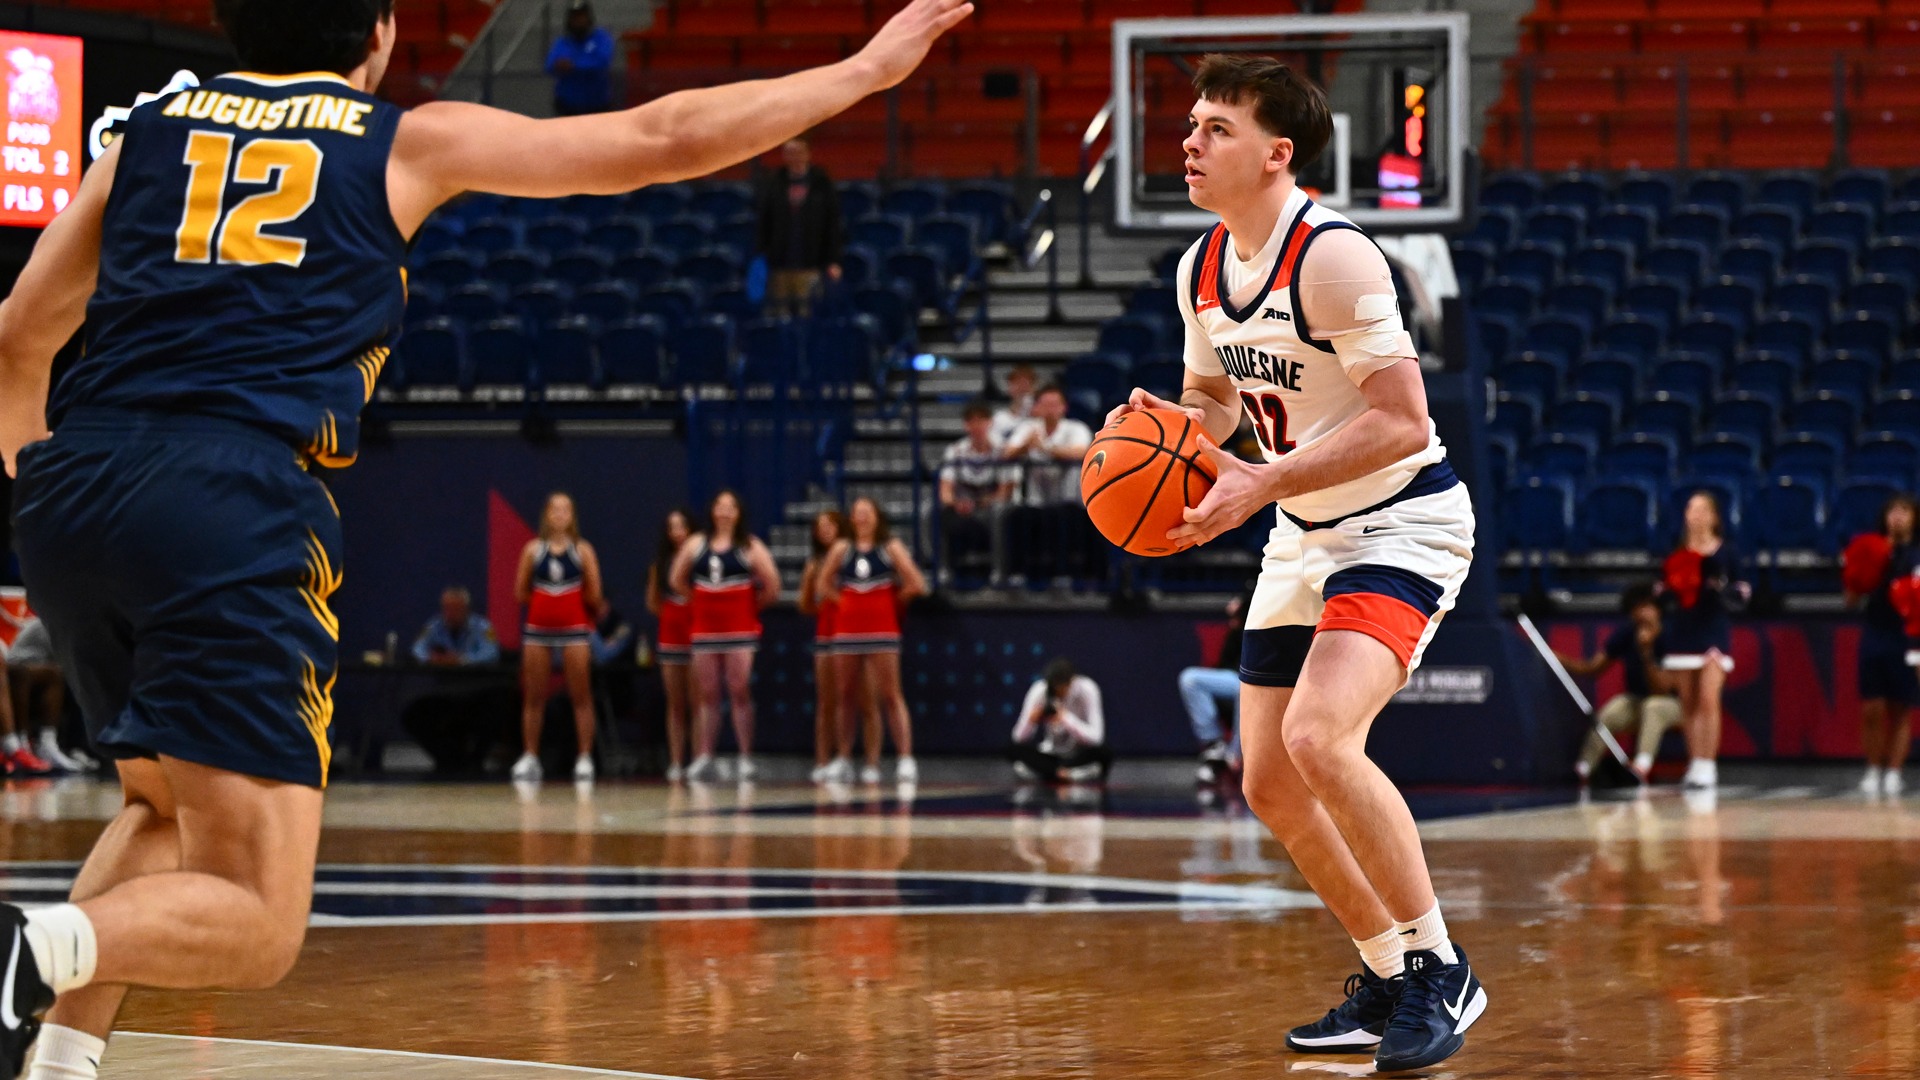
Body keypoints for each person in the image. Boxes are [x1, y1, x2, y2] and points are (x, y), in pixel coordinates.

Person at [0, 0, 971, 1070]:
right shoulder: (401, 140)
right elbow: (662, 138)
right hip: (230, 493)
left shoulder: (142, 139)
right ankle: (26, 946)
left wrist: (55, 493)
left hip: (74, 486)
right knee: (258, 916)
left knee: (160, 809)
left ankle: (54, 1063)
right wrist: (864, 71)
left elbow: (19, 334)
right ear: (378, 31)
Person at [1106, 56, 1484, 1072]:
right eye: (1190, 124)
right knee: (1269, 779)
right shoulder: (1199, 269)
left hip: (1403, 523)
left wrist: (1256, 484)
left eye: (1214, 128)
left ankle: (1442, 967)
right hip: (1304, 529)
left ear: (1277, 154)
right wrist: (1162, 436)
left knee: (1323, 737)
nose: (1188, 142)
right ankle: (1388, 972)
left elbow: (1404, 423)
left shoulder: (1336, 258)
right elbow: (1215, 406)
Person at [672, 490, 782, 783]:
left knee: (739, 689)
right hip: (706, 630)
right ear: (712, 512)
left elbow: (772, 585)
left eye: (730, 507)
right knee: (707, 693)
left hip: (739, 630)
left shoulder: (750, 546)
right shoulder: (697, 544)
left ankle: (745, 757)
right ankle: (705, 755)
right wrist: (697, 601)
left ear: (738, 513)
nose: (723, 512)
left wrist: (750, 607)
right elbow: (676, 578)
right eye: (719, 506)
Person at [819, 498, 927, 785]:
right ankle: (844, 759)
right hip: (847, 631)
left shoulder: (890, 548)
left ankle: (905, 759)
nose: (863, 518)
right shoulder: (842, 549)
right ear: (852, 519)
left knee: (891, 694)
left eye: (868, 513)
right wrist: (843, 602)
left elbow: (916, 583)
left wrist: (892, 602)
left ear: (878, 517)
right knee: (846, 695)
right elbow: (823, 583)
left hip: (882, 630)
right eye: (858, 513)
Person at [511, 493, 605, 785]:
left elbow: (595, 593)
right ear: (547, 515)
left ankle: (585, 757)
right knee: (534, 695)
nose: (560, 514)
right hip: (538, 630)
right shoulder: (532, 550)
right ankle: (530, 756)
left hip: (575, 629)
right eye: (555, 509)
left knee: (581, 694)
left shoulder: (583, 550)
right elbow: (520, 591)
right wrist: (546, 605)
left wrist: (568, 605)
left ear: (572, 516)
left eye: (566, 509)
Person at [1659, 491, 1748, 792]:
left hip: (1712, 629)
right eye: (1689, 509)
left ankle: (1708, 763)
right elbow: (1664, 588)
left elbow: (1742, 592)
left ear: (1713, 516)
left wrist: (1720, 589)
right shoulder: (1676, 550)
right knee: (1689, 701)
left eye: (1700, 509)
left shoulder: (1727, 552)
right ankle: (1694, 761)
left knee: (1709, 698)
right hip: (1683, 630)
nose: (1693, 515)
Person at [1554, 583, 1680, 785]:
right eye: (1636, 609)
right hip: (1639, 700)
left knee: (1654, 706)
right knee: (1613, 710)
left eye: (1646, 607)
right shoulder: (1628, 633)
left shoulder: (1672, 633)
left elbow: (1662, 690)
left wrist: (1646, 652)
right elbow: (1592, 668)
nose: (1642, 614)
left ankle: (1640, 768)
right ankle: (1584, 769)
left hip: (1678, 705)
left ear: (1658, 609)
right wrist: (1559, 660)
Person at [1842, 493, 1919, 798]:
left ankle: (1894, 773)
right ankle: (1873, 769)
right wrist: (1856, 576)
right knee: (1872, 707)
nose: (1897, 516)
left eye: (1904, 511)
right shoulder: (1869, 546)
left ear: (1914, 517)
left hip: (1908, 635)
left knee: (1902, 708)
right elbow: (1850, 600)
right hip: (1876, 630)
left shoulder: (1916, 554)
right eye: (1892, 511)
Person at [1003, 384, 1095, 583]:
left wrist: (1046, 448)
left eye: (1054, 404)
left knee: (1062, 519)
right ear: (1037, 407)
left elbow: (1082, 452)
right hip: (1035, 501)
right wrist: (1027, 445)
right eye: (1045, 404)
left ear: (1064, 408)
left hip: (1069, 500)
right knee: (1016, 517)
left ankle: (1063, 575)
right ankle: (1017, 576)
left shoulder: (1076, 428)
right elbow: (1007, 453)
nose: (1050, 409)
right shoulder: (1028, 429)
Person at [754, 133, 843, 317]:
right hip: (779, 265)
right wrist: (762, 256)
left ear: (807, 153)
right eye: (789, 152)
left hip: (810, 264)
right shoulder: (774, 183)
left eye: (798, 152)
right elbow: (765, 223)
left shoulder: (821, 183)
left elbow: (832, 225)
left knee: (808, 315)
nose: (794, 157)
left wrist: (833, 260)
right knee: (780, 317)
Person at [1179, 585, 1255, 784]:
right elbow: (1225, 663)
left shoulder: (1260, 612)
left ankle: (1236, 755)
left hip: (1257, 681)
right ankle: (1214, 743)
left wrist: (1242, 607)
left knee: (1244, 689)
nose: (1231, 605)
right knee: (1190, 679)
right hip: (1234, 678)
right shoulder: (1236, 629)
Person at [799, 511, 854, 784]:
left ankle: (856, 759)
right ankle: (822, 760)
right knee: (826, 701)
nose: (825, 530)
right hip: (826, 635)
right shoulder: (814, 564)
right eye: (819, 527)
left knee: (859, 699)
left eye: (830, 525)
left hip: (854, 634)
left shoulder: (852, 558)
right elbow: (805, 604)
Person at [938, 399, 1016, 583]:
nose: (977, 426)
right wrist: (955, 503)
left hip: (990, 507)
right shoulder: (955, 451)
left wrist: (980, 503)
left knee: (1000, 512)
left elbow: (1006, 491)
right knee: (930, 512)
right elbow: (945, 490)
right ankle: (941, 568)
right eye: (972, 421)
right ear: (966, 425)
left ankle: (1000, 570)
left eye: (981, 421)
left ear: (990, 423)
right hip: (962, 507)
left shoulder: (1002, 451)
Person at [647, 508, 695, 781]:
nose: (678, 532)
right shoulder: (661, 564)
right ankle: (676, 761)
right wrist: (670, 616)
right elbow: (653, 601)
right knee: (675, 702)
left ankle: (700, 759)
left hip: (696, 630)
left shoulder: (700, 558)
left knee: (698, 701)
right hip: (670, 633)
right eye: (672, 527)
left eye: (682, 526)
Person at [1008, 658, 1112, 784]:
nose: (1058, 694)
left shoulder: (1088, 689)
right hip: (1050, 755)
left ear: (1071, 682)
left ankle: (1052, 773)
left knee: (1105, 752)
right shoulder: (1039, 691)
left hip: (1077, 754)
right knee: (1011, 749)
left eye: (1061, 689)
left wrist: (1065, 718)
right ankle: (1064, 773)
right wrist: (1031, 721)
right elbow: (1018, 738)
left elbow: (1097, 738)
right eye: (1053, 689)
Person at [545, 0, 617, 117]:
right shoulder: (563, 42)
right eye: (574, 17)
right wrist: (559, 66)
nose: (577, 21)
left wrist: (574, 65)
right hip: (568, 108)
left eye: (581, 16)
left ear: (588, 17)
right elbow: (549, 65)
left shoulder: (601, 38)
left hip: (597, 108)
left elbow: (602, 62)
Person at [410, 586, 500, 666]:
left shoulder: (483, 627)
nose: (450, 614)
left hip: (474, 679)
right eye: (447, 608)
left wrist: (461, 660)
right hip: (444, 679)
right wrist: (431, 658)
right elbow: (417, 648)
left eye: (456, 609)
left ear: (467, 609)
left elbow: (491, 653)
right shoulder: (434, 625)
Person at [990, 364, 1038, 444]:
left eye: (1026, 383)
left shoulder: (1041, 417)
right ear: (1009, 387)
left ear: (1034, 388)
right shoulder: (998, 418)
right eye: (1017, 383)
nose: (1022, 387)